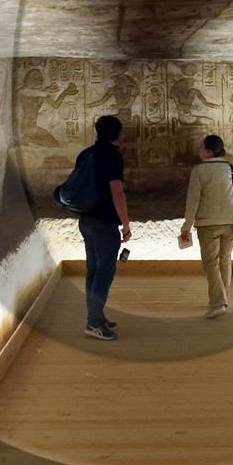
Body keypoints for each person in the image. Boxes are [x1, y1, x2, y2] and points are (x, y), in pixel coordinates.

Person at [178, 134, 233, 318]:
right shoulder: (231, 168)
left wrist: (187, 225)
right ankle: (222, 300)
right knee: (225, 260)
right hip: (231, 220)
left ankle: (218, 303)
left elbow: (193, 200)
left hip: (207, 222)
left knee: (211, 262)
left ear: (208, 151)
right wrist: (225, 199)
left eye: (202, 147)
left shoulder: (199, 170)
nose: (199, 150)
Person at [79, 114, 131, 340]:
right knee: (105, 272)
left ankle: (96, 317)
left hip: (86, 219)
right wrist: (126, 225)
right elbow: (117, 193)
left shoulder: (86, 154)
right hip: (104, 221)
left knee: (93, 270)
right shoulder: (111, 156)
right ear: (117, 133)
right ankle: (94, 322)